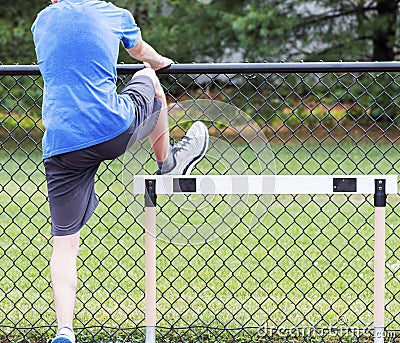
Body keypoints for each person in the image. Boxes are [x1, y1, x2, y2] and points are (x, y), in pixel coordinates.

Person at [31, 1, 209, 343]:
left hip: (61, 142)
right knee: (146, 76)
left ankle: (64, 330)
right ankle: (168, 163)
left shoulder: (41, 21)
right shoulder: (113, 13)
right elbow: (143, 54)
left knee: (64, 244)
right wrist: (160, 63)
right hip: (110, 130)